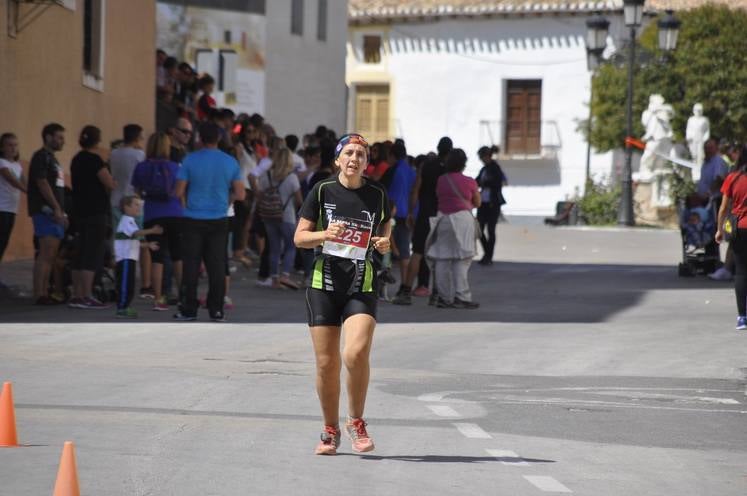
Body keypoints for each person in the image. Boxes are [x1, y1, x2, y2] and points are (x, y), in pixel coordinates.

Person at [294, 133, 391, 456]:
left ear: (366, 162)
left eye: (361, 155)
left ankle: (356, 422)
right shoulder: (321, 191)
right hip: (324, 283)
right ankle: (330, 429)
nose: (354, 159)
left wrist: (383, 241)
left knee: (355, 353)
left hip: (361, 282)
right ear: (337, 159)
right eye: (348, 153)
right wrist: (324, 234)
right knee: (326, 364)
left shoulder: (377, 193)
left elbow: (385, 225)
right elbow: (299, 238)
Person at [174, 122, 244, 322]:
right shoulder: (230, 162)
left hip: (193, 218)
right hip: (219, 218)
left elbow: (178, 191)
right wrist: (225, 201)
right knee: (217, 266)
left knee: (191, 265)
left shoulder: (189, 160)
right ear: (219, 138)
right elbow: (240, 193)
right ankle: (216, 309)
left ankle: (189, 309)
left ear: (199, 139)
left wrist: (186, 202)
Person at [394, 137, 452, 305]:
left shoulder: (426, 166)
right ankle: (436, 293)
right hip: (441, 215)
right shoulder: (448, 170)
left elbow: (415, 191)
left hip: (424, 214)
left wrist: (412, 212)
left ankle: (405, 291)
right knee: (440, 255)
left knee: (417, 253)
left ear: (438, 148)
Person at [131, 132, 184, 311]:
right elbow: (181, 193)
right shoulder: (176, 167)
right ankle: (183, 295)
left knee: (157, 258)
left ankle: (158, 299)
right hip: (176, 214)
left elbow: (137, 192)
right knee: (178, 255)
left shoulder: (141, 167)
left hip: (153, 215)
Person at [427, 148, 481, 309]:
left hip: (443, 218)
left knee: (442, 258)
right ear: (464, 163)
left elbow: (438, 196)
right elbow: (477, 202)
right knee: (462, 260)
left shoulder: (441, 180)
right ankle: (462, 296)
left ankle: (444, 298)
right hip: (462, 219)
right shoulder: (470, 181)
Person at [68, 125, 115, 309]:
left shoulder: (76, 159)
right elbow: (109, 182)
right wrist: (113, 180)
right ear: (97, 141)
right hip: (96, 211)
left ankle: (77, 294)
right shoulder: (95, 160)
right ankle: (87, 295)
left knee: (80, 252)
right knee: (92, 253)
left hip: (80, 211)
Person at [110, 124, 153, 298]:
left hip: (116, 201)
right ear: (136, 137)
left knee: (121, 244)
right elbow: (143, 178)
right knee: (142, 245)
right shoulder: (139, 155)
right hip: (135, 203)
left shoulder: (114, 154)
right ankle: (145, 284)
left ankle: (119, 283)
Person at [28, 123, 68, 305]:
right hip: (46, 212)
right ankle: (39, 293)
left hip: (56, 213)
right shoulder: (41, 157)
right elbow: (42, 182)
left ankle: (45, 291)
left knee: (51, 254)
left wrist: (62, 211)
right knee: (45, 253)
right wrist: (55, 207)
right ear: (48, 137)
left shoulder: (53, 159)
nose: (62, 141)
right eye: (59, 137)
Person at [257, 147, 302, 289]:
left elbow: (260, 194)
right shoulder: (292, 177)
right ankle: (286, 275)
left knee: (275, 247)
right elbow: (299, 200)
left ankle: (274, 278)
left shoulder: (266, 175)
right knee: (290, 246)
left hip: (269, 216)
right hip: (286, 216)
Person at [114, 196, 162, 318]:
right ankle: (122, 307)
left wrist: (148, 244)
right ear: (126, 207)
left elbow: (134, 241)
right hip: (125, 259)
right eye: (135, 204)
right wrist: (152, 231)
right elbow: (136, 234)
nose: (138, 207)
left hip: (130, 258)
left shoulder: (131, 221)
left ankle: (125, 306)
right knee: (125, 284)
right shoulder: (127, 220)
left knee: (130, 284)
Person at [716, 145, 747, 330]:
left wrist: (719, 230)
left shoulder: (732, 178)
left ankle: (742, 317)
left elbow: (723, 208)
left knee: (741, 271)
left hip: (738, 229)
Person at [386, 142, 416, 302]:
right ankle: (405, 285)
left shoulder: (396, 171)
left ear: (392, 156)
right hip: (408, 214)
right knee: (405, 253)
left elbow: (393, 197)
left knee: (395, 252)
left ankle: (403, 287)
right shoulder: (411, 170)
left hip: (397, 215)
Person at [0, 133, 27, 283]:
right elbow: (12, 180)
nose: (13, 148)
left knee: (4, 241)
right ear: (2, 147)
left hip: (11, 209)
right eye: (9, 145)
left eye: (15, 145)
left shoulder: (17, 165)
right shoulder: (1, 162)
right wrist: (28, 191)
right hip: (1, 208)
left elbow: (25, 181)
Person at [475, 145, 507, 266]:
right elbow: (477, 181)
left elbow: (497, 183)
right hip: (483, 203)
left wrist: (485, 183)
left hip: (493, 203)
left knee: (491, 230)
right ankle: (487, 253)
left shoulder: (495, 168)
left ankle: (489, 256)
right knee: (479, 230)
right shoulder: (484, 169)